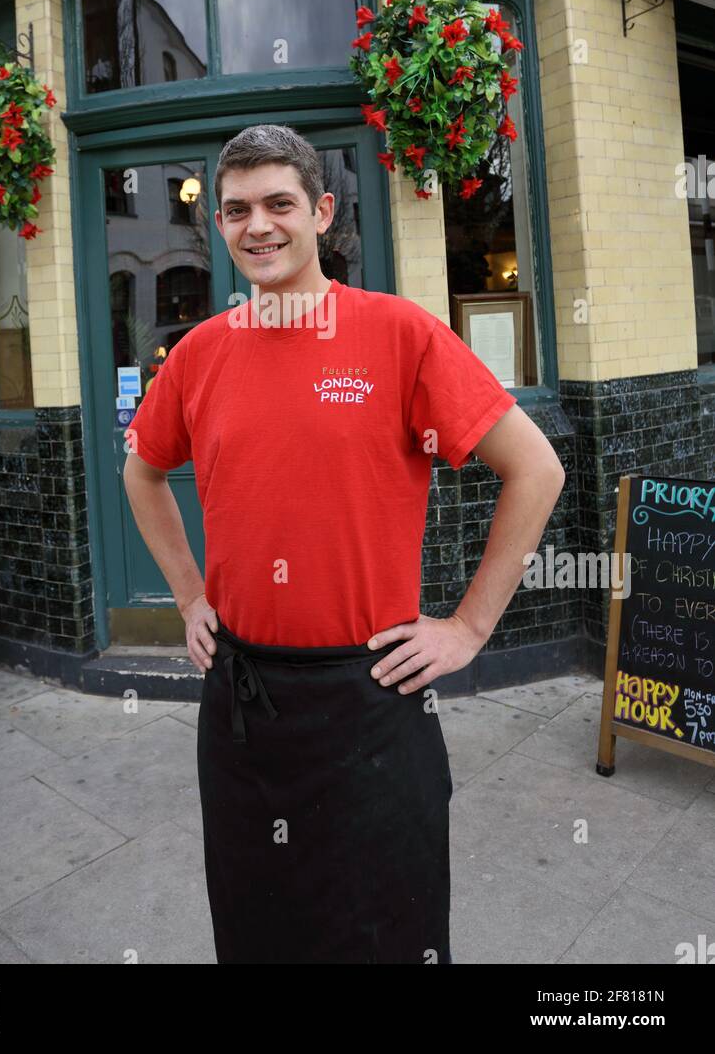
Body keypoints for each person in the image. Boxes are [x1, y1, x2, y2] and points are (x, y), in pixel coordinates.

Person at [123, 123, 565, 965]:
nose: (259, 225)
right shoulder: (198, 354)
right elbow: (141, 473)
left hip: (370, 702)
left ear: (322, 211)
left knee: (385, 937)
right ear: (219, 225)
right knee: (257, 935)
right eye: (237, 209)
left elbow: (537, 470)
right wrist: (188, 597)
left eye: (280, 203)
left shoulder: (400, 334)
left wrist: (468, 628)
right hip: (244, 705)